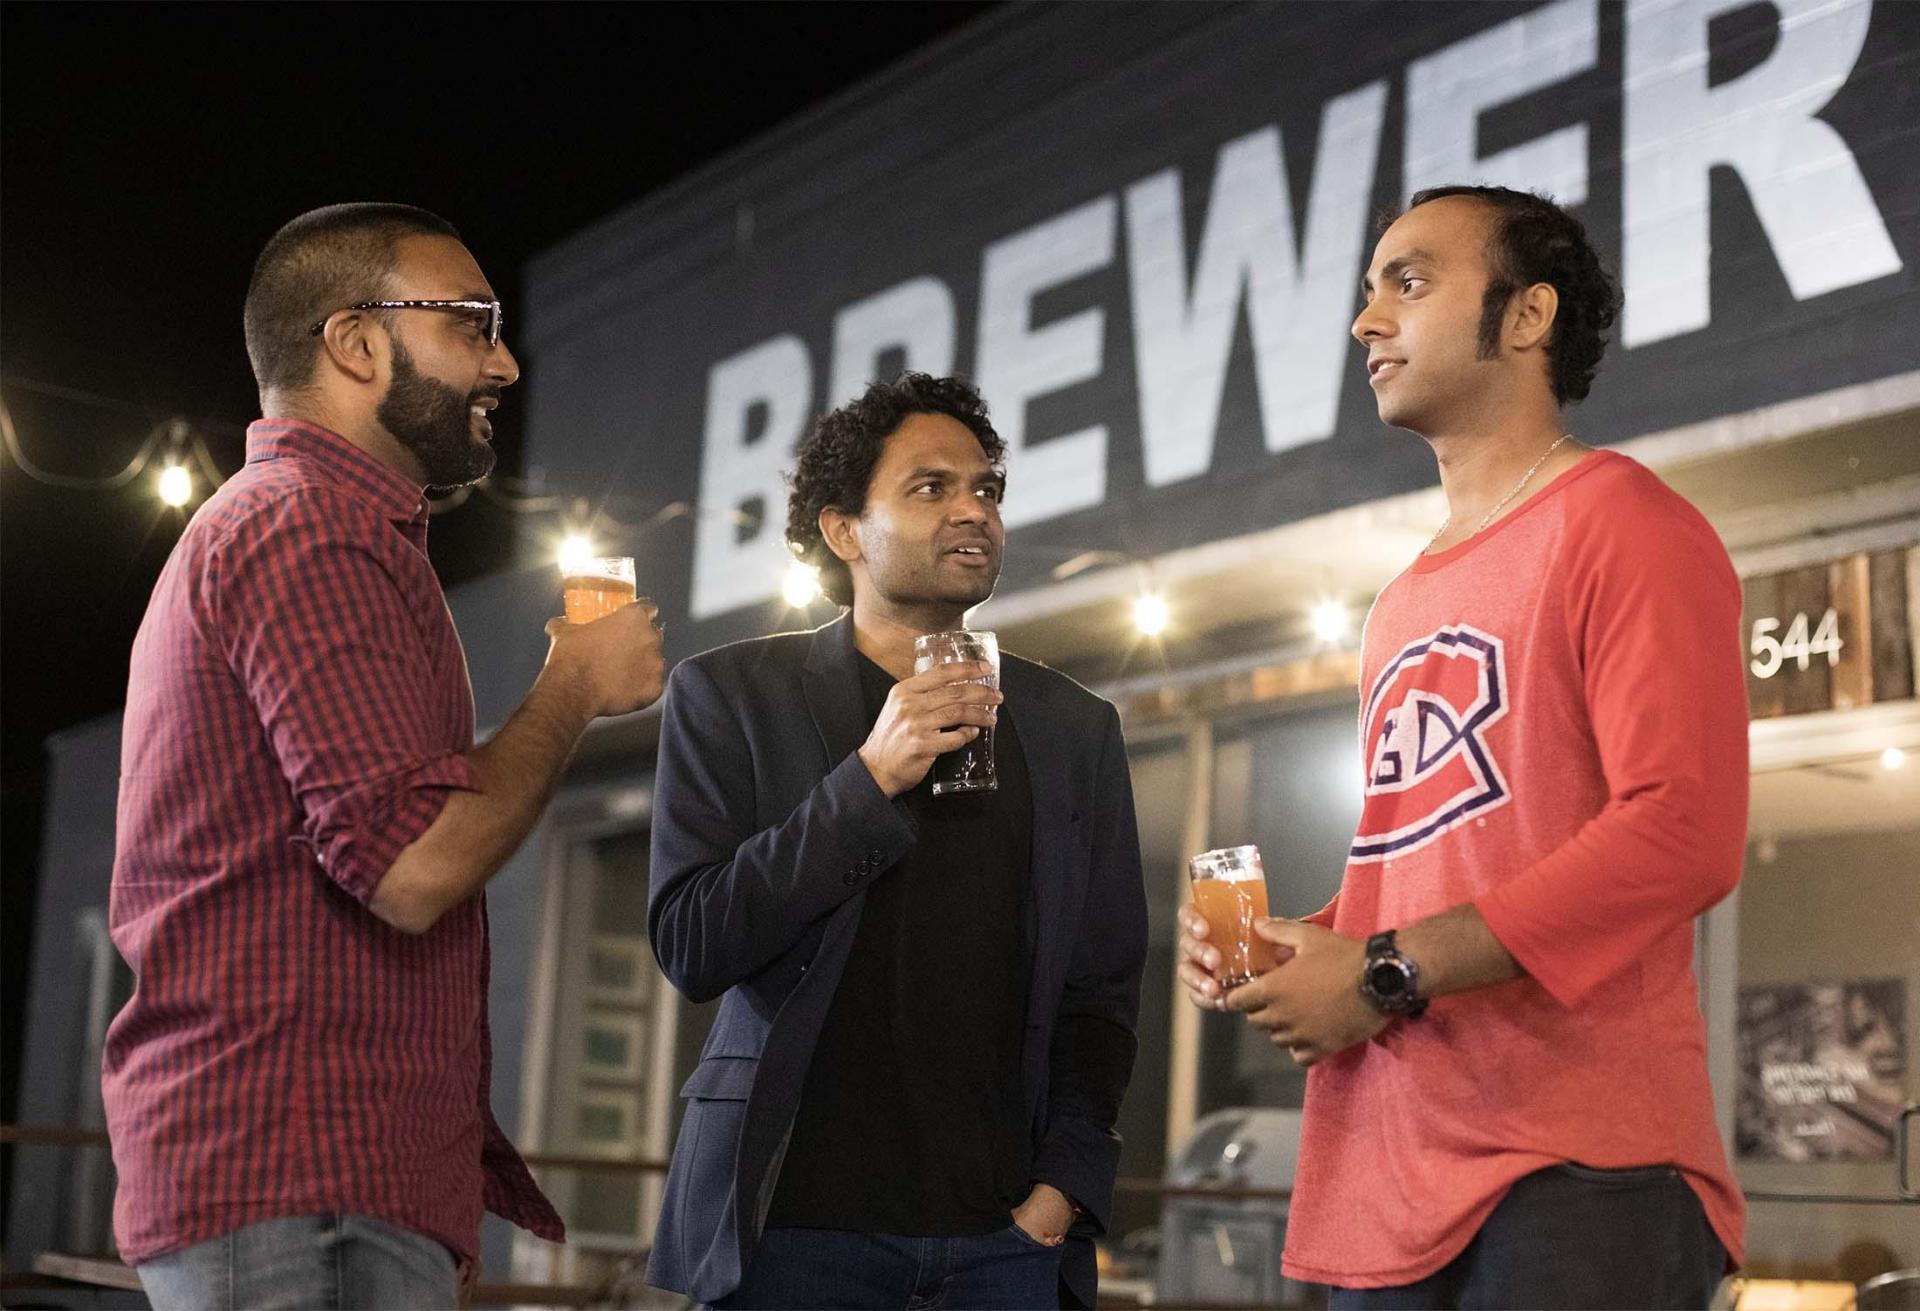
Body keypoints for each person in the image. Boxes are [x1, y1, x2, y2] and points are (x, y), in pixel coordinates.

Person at [1177, 186, 1748, 1308]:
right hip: (1387, 1180)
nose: (1366, 322)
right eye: (1367, 290)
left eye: (1410, 280)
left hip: (1578, 1168)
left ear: (1525, 316)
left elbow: (1684, 833)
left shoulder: (1623, 519)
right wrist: (1313, 949)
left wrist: (1385, 970)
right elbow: (1428, 862)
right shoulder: (1398, 602)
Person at [104, 203, 667, 1311]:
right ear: (357, 344)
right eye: (470, 323)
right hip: (294, 1185)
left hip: (333, 1185)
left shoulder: (319, 531)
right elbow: (414, 868)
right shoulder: (308, 527)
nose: (503, 360)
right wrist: (573, 685)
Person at [645, 373, 1148, 1310]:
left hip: (1005, 1243)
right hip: (791, 1230)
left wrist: (1063, 1188)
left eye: (987, 489)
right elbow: (694, 941)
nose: (975, 512)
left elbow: (1103, 984)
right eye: (932, 488)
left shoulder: (1073, 726)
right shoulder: (731, 695)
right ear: (844, 531)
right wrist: (868, 777)